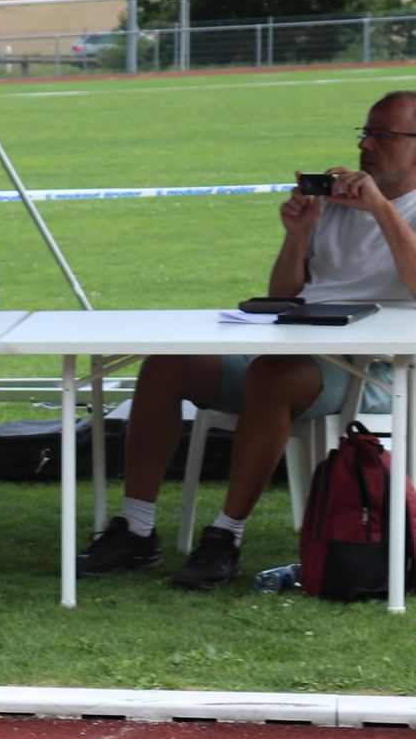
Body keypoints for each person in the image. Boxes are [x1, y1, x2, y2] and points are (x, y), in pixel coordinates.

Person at [78, 90, 416, 590]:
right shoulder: (336, 205)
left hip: (373, 369)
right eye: (364, 131)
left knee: (271, 375)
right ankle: (136, 528)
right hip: (296, 346)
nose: (366, 143)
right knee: (167, 363)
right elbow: (283, 295)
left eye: (383, 134)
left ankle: (225, 537)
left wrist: (382, 211)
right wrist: (299, 235)